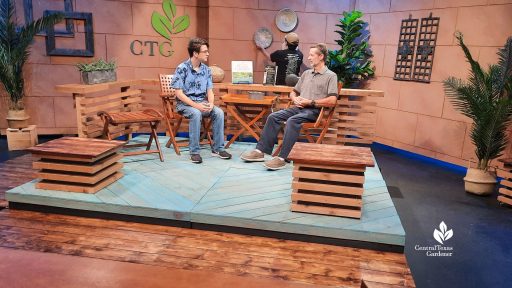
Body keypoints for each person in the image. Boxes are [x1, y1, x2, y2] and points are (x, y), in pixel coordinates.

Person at [241, 43, 338, 170]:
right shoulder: (306, 74)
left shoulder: (330, 76)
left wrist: (310, 102)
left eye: (311, 55)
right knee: (273, 116)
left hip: (314, 111)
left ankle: (283, 158)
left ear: (321, 57)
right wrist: (294, 98)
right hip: (299, 108)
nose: (308, 58)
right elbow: (294, 91)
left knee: (292, 121)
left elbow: (332, 100)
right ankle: (260, 151)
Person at [171, 38, 231, 164]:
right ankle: (194, 152)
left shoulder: (206, 70)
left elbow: (209, 91)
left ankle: (218, 148)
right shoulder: (182, 68)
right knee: (196, 113)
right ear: (195, 53)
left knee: (218, 112)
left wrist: (211, 104)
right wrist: (196, 106)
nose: (208, 54)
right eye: (205, 51)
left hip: (201, 103)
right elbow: (179, 94)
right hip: (185, 105)